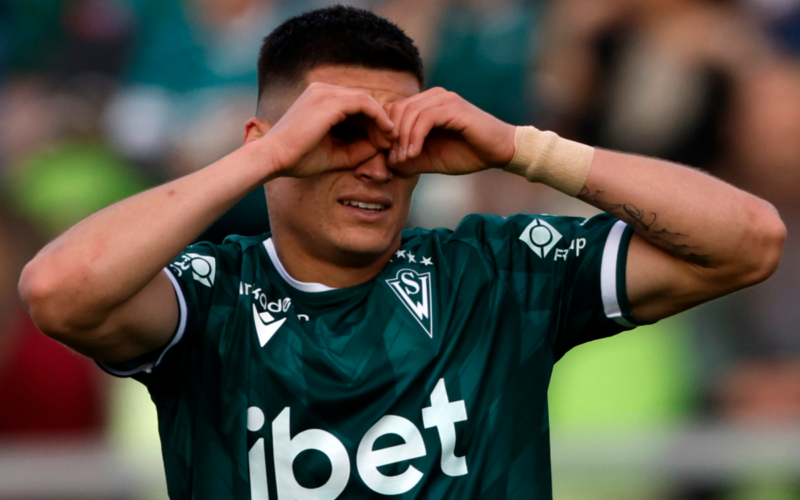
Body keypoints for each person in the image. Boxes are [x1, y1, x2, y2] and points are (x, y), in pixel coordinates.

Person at [19, 6, 784, 499]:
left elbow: (748, 240)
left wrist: (522, 149)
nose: (377, 163)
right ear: (274, 144)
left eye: (397, 136)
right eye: (339, 132)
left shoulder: (496, 276)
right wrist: (257, 160)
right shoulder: (209, 295)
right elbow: (58, 288)